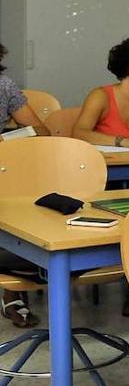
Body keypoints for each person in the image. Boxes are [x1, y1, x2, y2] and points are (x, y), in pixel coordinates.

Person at [0, 41, 51, 328]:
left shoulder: (4, 85)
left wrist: (6, 140)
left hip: (4, 170)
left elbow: (39, 131)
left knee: (21, 190)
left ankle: (13, 294)